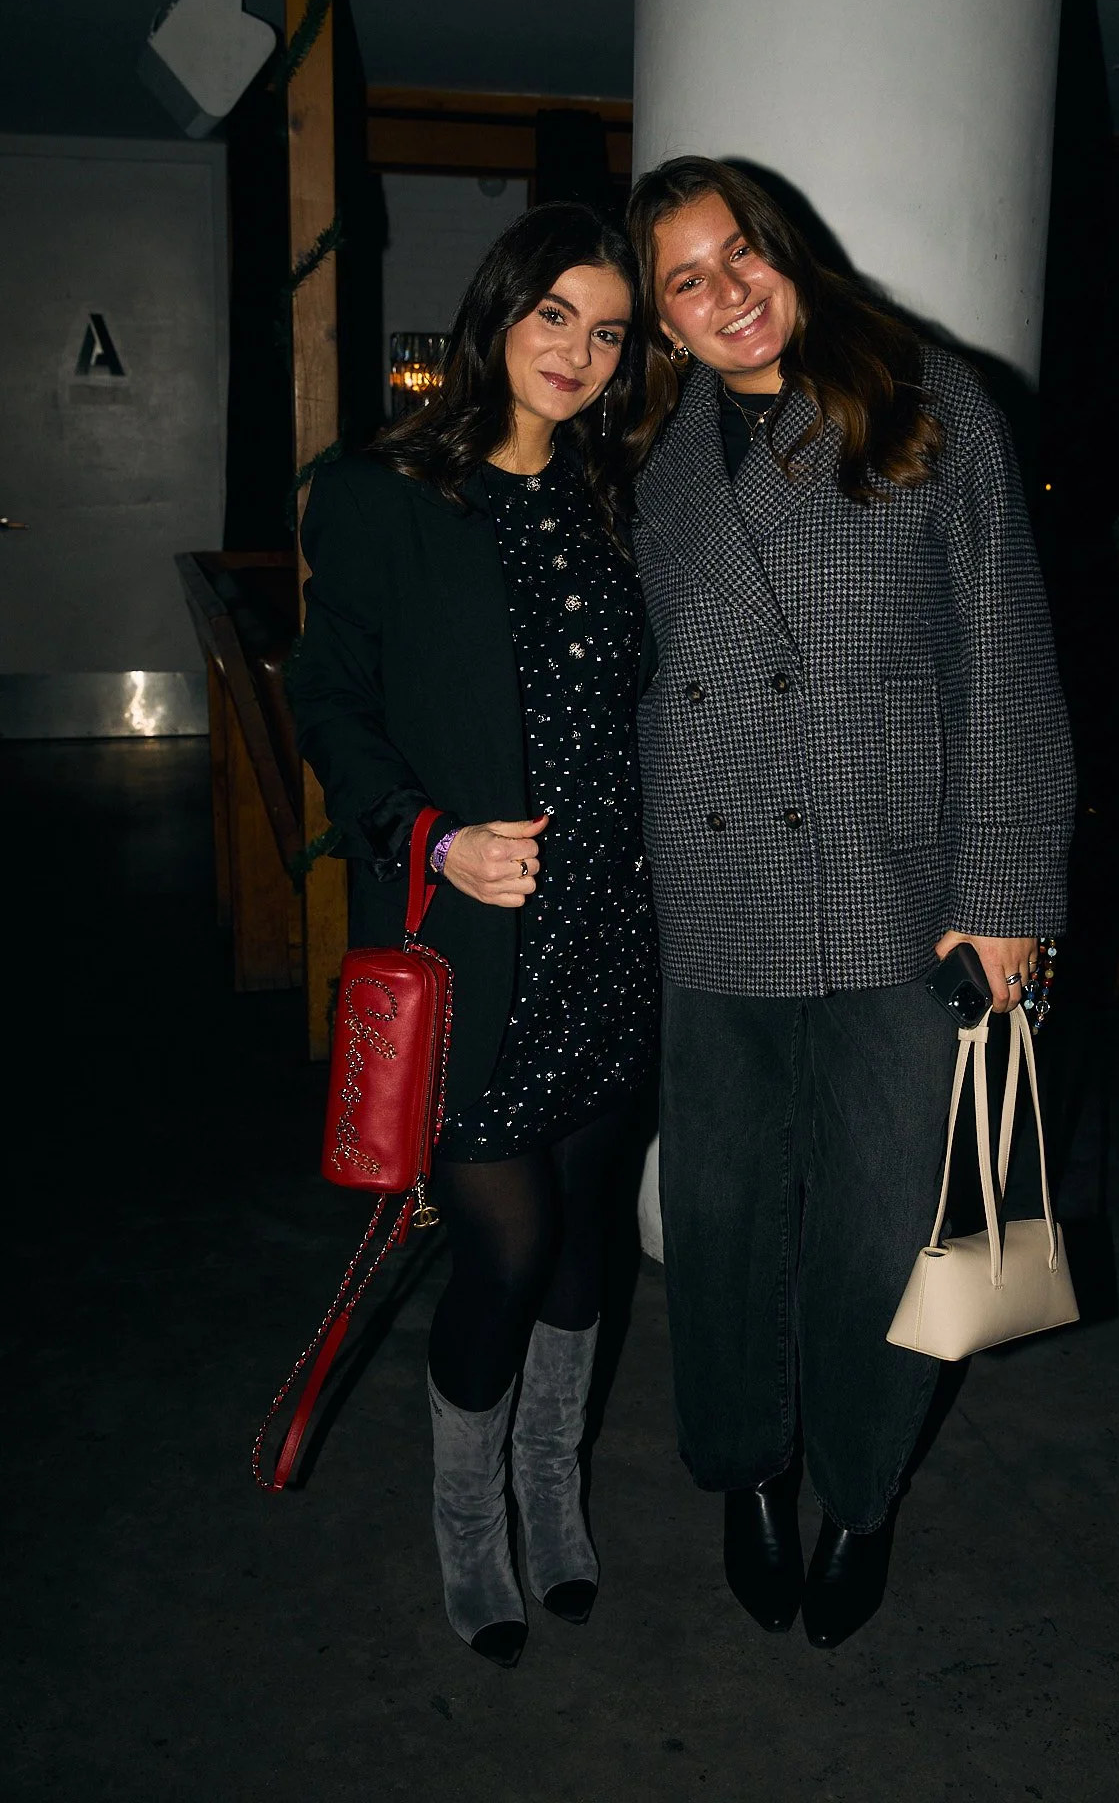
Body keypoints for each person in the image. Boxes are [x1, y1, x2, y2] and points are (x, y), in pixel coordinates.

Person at [625, 156, 1074, 1649]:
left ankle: (862, 1493)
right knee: (726, 1214)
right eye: (687, 277)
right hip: (710, 893)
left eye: (742, 251)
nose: (727, 289)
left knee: (883, 1222)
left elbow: (1009, 663)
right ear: (669, 322)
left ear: (790, 253)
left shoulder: (927, 400)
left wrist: (1006, 893)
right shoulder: (655, 456)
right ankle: (749, 1474)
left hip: (899, 895)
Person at [290, 203, 658, 1670]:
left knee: (585, 1258)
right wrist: (430, 835)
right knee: (501, 1253)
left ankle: (555, 1502)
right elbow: (331, 702)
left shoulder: (613, 495)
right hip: (475, 940)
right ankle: (468, 1530)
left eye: (610, 330)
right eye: (554, 314)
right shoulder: (383, 493)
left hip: (614, 937)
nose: (578, 351)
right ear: (496, 314)